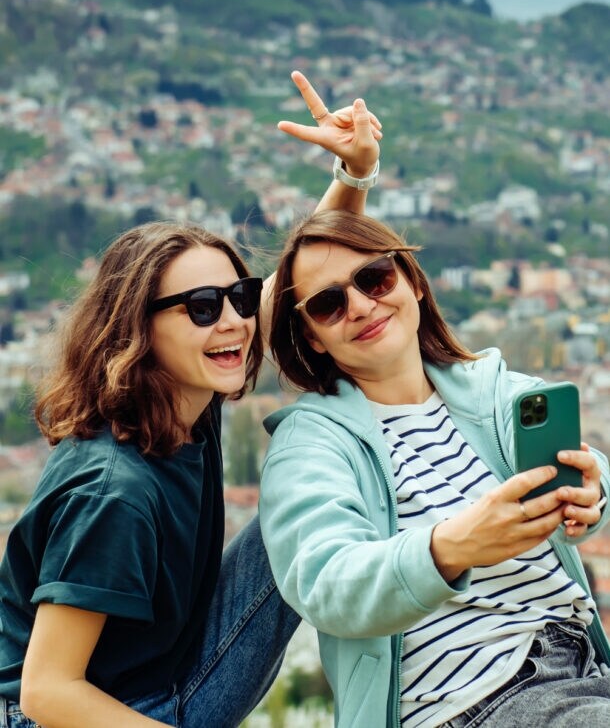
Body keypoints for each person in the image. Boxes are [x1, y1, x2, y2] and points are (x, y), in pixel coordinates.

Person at [0, 72, 382, 728]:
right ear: (139, 332)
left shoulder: (180, 390)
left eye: (236, 297)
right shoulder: (114, 493)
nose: (233, 322)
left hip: (161, 673)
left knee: (314, 497)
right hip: (81, 715)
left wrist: (355, 173)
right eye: (204, 308)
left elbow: (288, 290)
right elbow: (46, 691)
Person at [259, 209, 610, 728]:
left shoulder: (489, 389)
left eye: (374, 278)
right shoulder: (310, 442)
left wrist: (593, 489)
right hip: (470, 698)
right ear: (313, 337)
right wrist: (451, 547)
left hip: (581, 666)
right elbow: (324, 581)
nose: (360, 306)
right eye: (329, 304)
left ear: (412, 283)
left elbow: (585, 463)